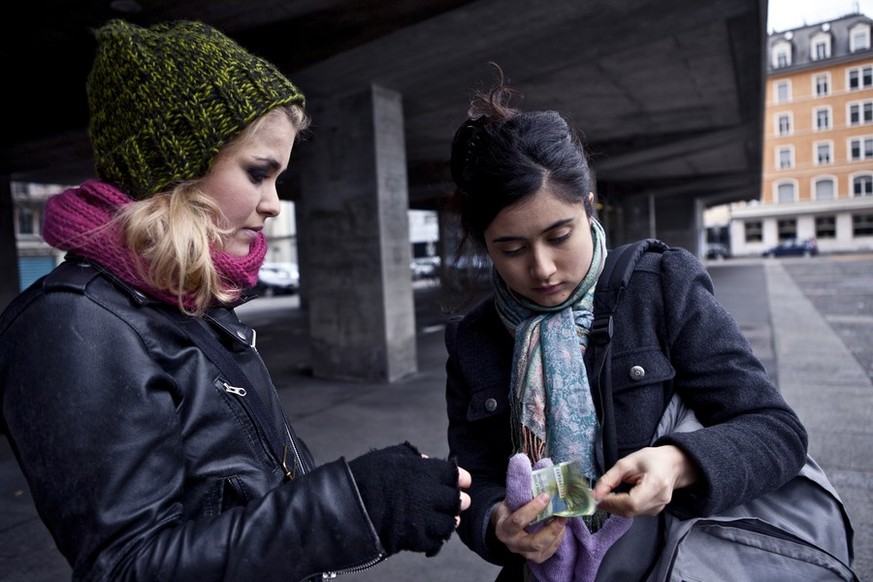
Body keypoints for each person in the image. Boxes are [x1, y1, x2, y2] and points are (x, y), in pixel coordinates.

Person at [0, 19, 471, 581]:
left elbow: (251, 490)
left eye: (279, 179)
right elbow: (127, 567)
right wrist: (355, 506)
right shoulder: (73, 324)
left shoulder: (185, 302)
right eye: (258, 172)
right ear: (173, 170)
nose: (274, 204)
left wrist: (377, 499)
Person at [442, 69, 809, 581]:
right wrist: (496, 522)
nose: (543, 268)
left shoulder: (659, 286)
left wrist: (678, 464)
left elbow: (778, 432)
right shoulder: (473, 340)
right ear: (486, 244)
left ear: (589, 204)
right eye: (512, 248)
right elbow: (473, 476)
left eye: (559, 235)